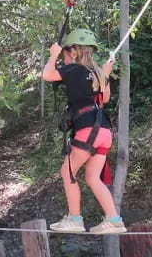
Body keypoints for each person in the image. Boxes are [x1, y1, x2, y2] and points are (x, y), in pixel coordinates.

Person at [42, 29, 126, 234]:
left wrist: (53, 54)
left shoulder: (73, 69)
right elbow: (104, 98)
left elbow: (47, 75)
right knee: (92, 177)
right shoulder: (97, 71)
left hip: (88, 129)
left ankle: (75, 219)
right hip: (104, 130)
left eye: (64, 53)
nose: (63, 56)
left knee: (67, 171)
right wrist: (105, 74)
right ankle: (114, 220)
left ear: (74, 52)